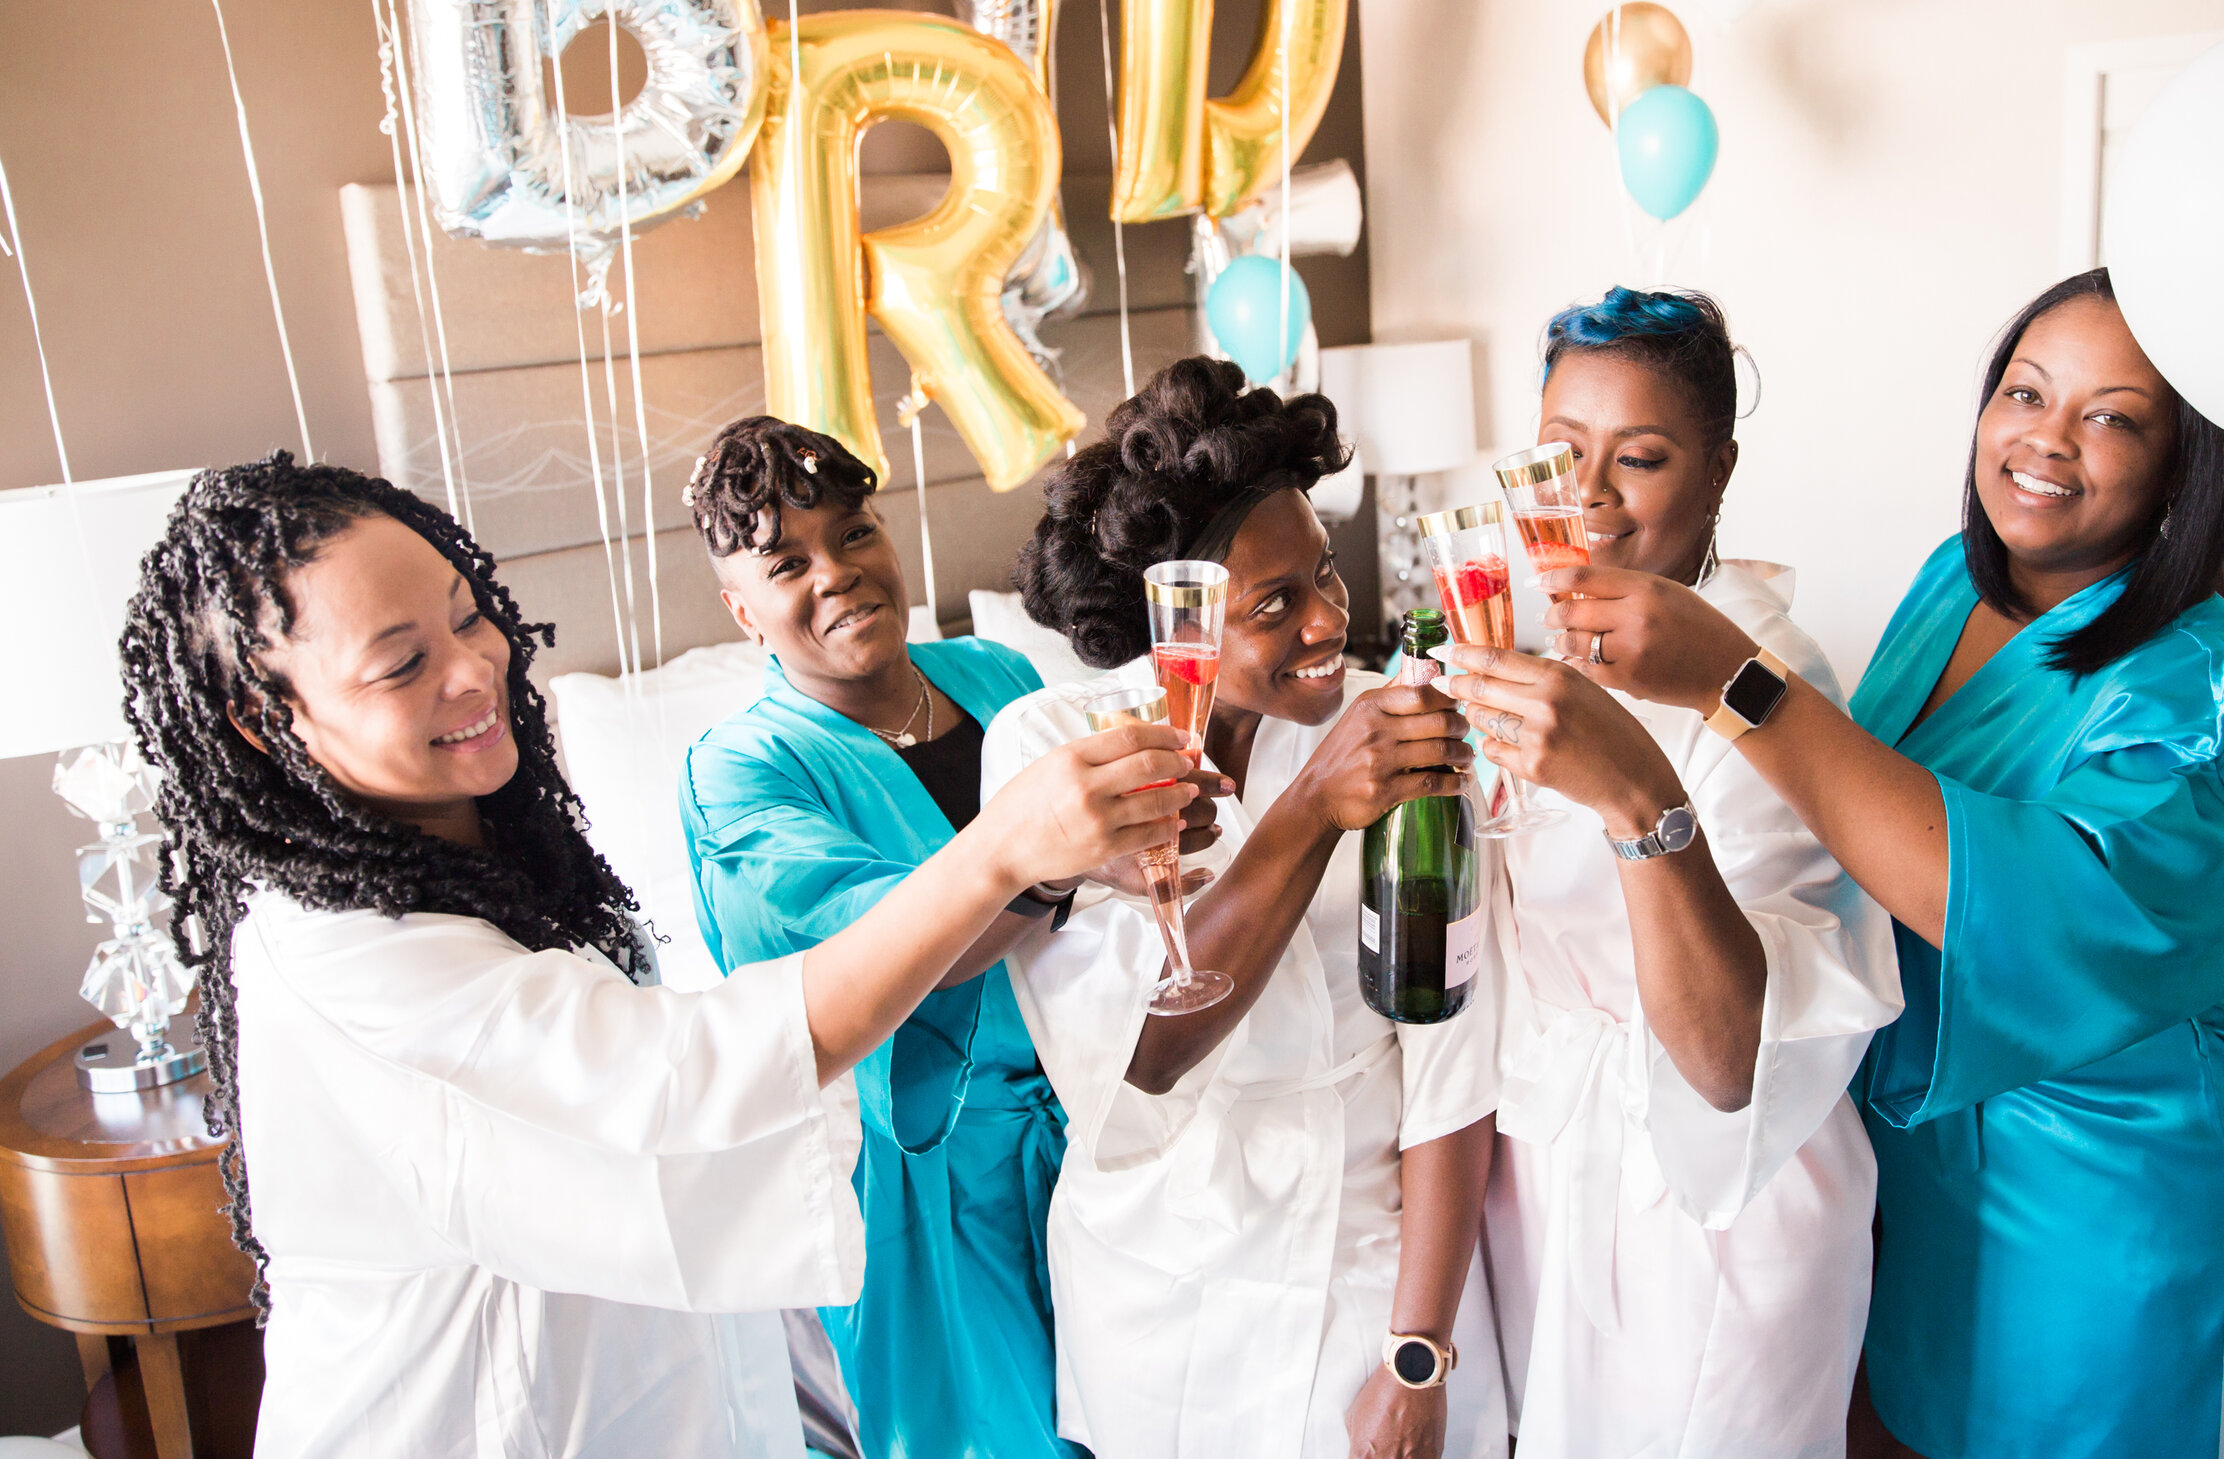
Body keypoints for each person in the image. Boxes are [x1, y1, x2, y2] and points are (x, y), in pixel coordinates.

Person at [119, 453, 1193, 1459]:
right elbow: (685, 1069)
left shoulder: (491, 860)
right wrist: (1004, 848)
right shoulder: (347, 956)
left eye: (466, 614)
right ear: (264, 723)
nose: (474, 669)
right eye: (403, 663)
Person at [1519, 270, 2224, 1458]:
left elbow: (2043, 914)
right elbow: (1858, 818)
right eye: (2026, 391)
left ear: (2185, 464)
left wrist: (1732, 689)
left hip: (2087, 1166)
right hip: (1910, 1128)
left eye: (2112, 415)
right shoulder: (1956, 577)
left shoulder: (2204, 682)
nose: (2045, 437)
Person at [985, 358, 1510, 1459]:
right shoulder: (1053, 757)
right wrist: (1314, 809)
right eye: (1276, 603)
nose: (1331, 619)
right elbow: (1142, 1051)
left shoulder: (1399, 728)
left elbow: (1452, 1058)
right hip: (1163, 1297)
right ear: (1174, 623)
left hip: (1364, 1281)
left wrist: (1417, 1350)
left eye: (1324, 571)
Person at [676, 417, 1213, 1457]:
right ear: (742, 606)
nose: (837, 574)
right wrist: (1049, 861)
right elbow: (881, 954)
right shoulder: (741, 774)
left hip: (1089, 1110)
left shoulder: (994, 674)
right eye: (788, 561)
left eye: (855, 534)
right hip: (926, 1174)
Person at [1425, 288, 1902, 1457]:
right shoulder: (1514, 640)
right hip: (1543, 1165)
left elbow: (1728, 1060)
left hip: (1711, 1200)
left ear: (1718, 470)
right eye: (1556, 452)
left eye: (1637, 458)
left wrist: (1635, 793)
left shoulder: (1770, 682)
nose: (1584, 496)